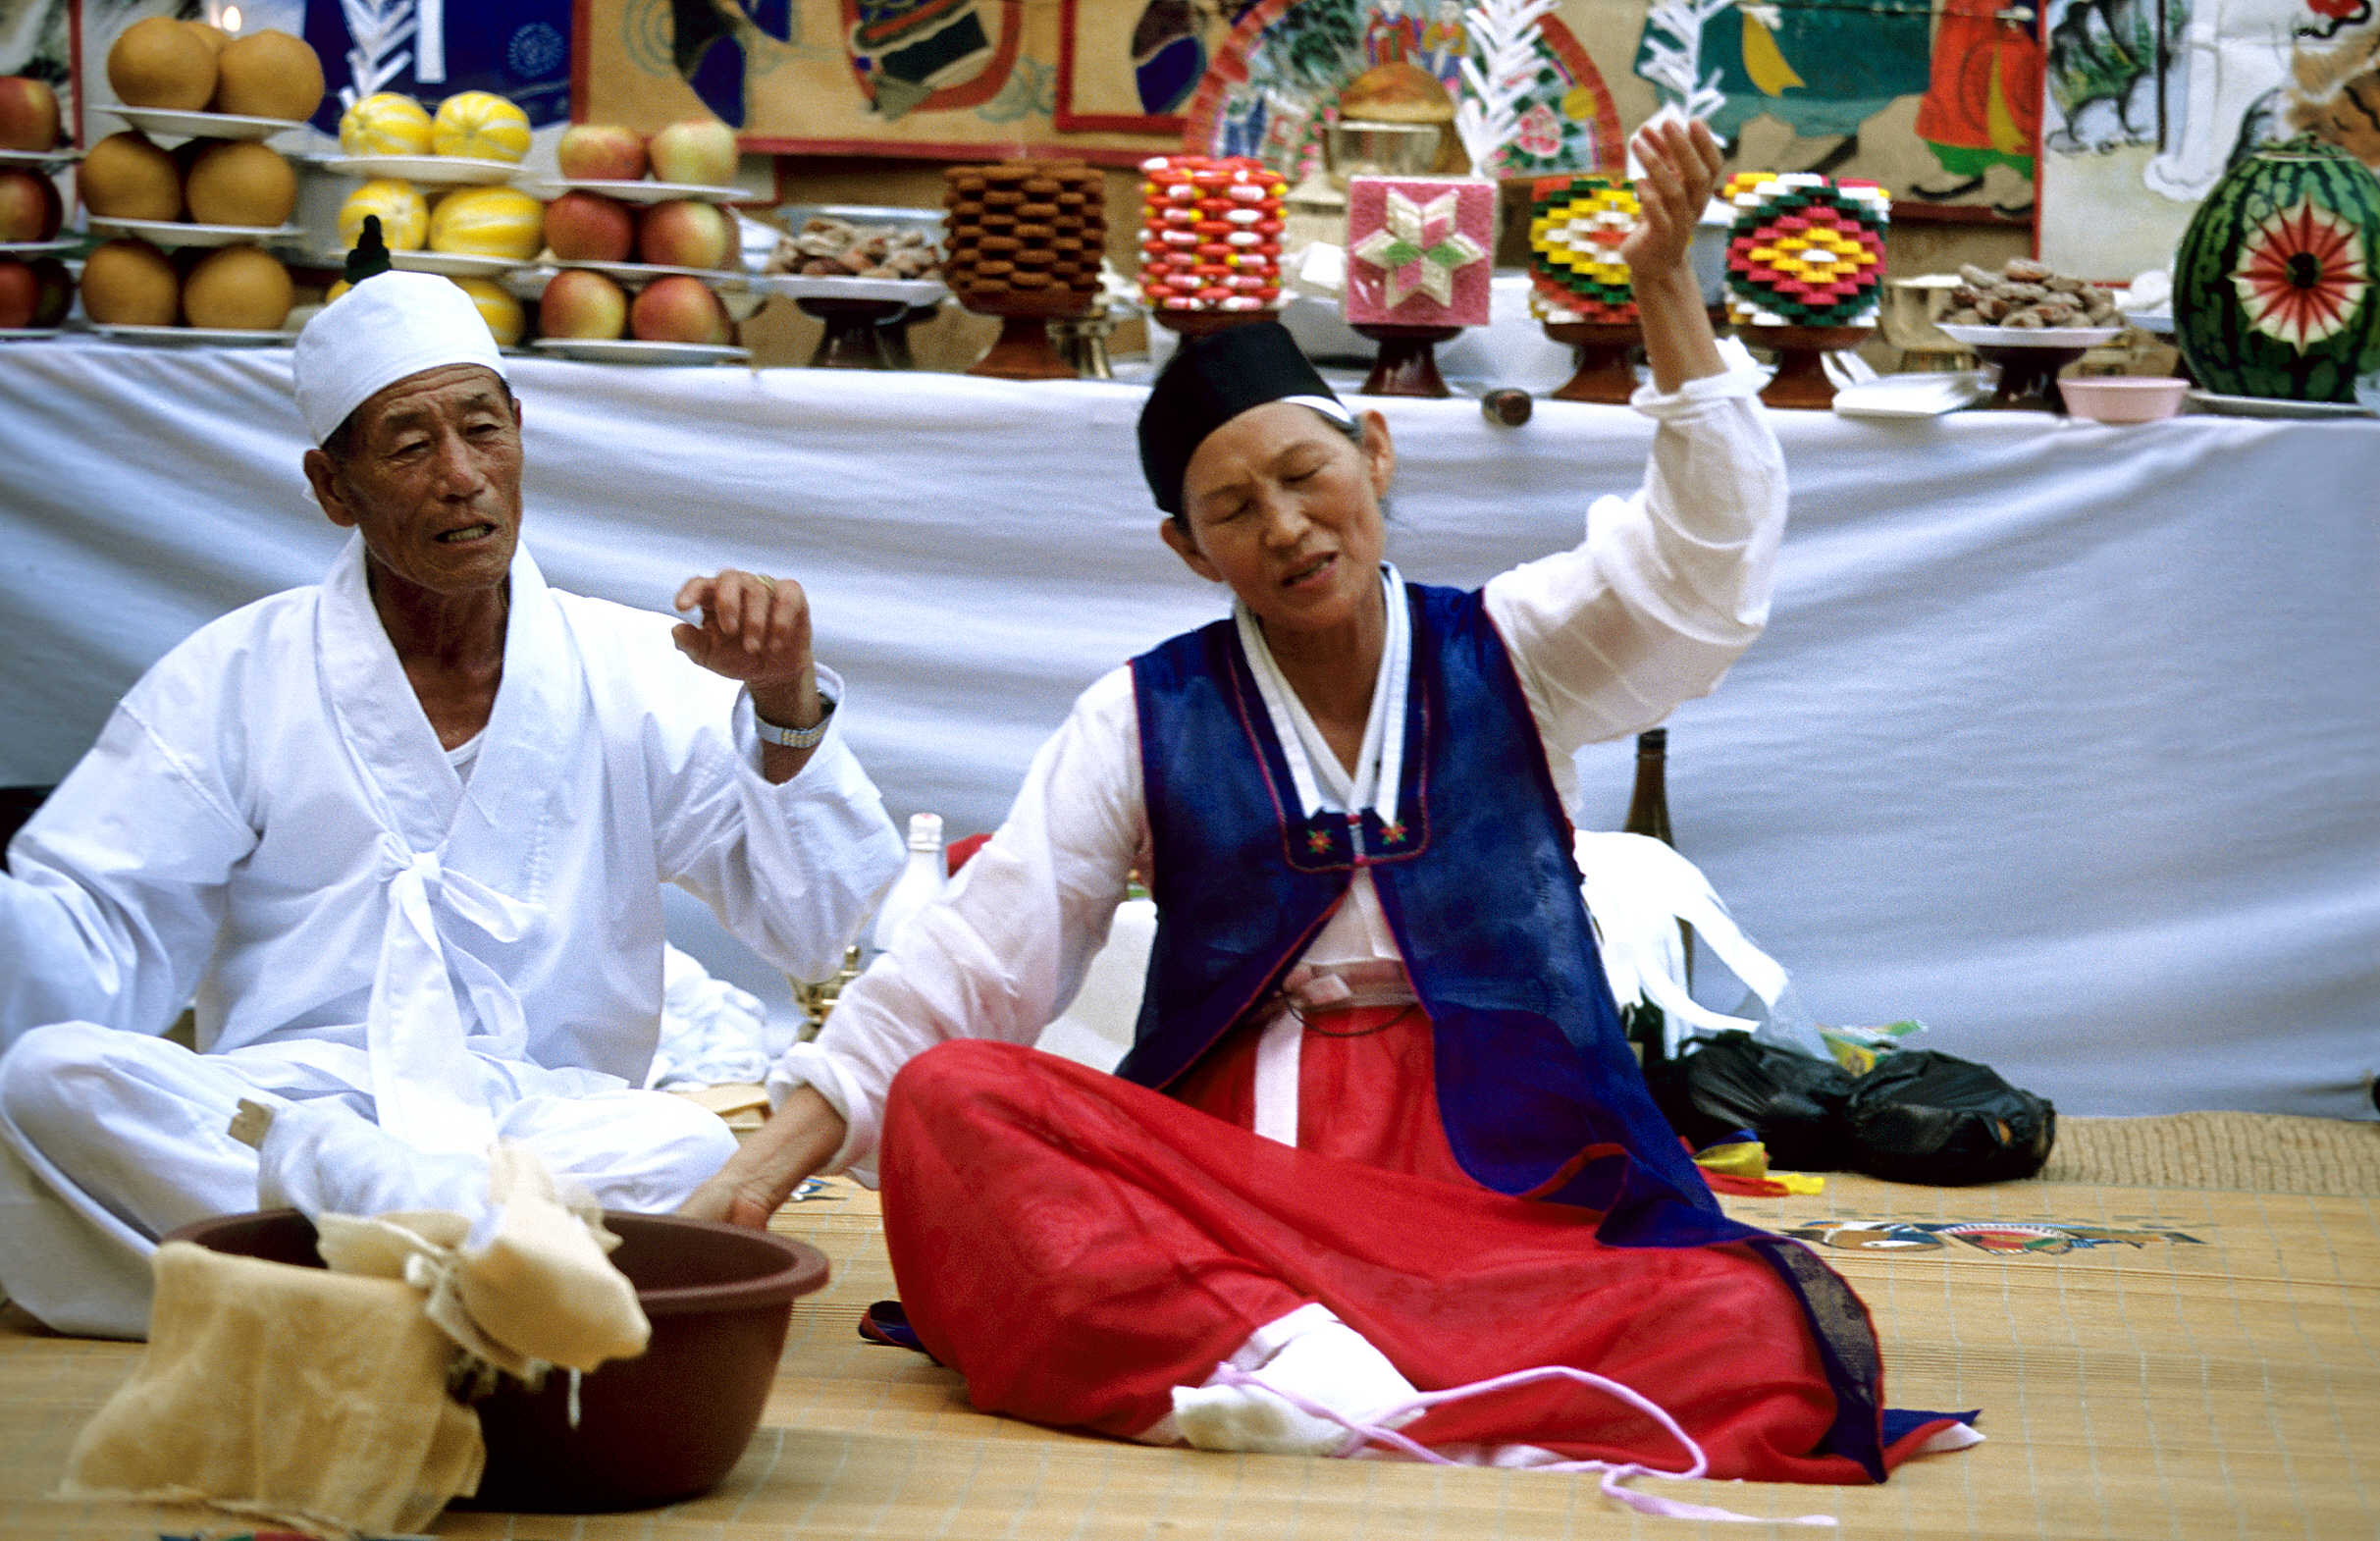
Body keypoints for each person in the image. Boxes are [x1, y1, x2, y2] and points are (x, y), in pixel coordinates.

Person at [686, 119, 1971, 1488]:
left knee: (1753, 1320)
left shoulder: (1513, 650)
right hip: (1237, 1172)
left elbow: (1701, 572)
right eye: (1234, 508)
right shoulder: (1141, 715)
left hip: (1498, 1170)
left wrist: (1666, 290)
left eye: (1306, 476)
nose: (1288, 526)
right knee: (956, 1096)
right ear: (1189, 549)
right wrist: (758, 1170)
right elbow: (972, 963)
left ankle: (1272, 1365)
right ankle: (1304, 1357)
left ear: (1374, 454)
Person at [0, 271, 904, 1340]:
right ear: (332, 487)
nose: (463, 477)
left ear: (520, 431)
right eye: (410, 445)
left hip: (541, 1131)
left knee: (691, 1153)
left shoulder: (635, 665)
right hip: (296, 1115)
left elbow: (821, 924)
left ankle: (336, 1271)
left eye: (483, 430)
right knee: (50, 1078)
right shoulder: (236, 674)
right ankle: (486, 1268)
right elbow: (93, 938)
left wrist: (784, 701)